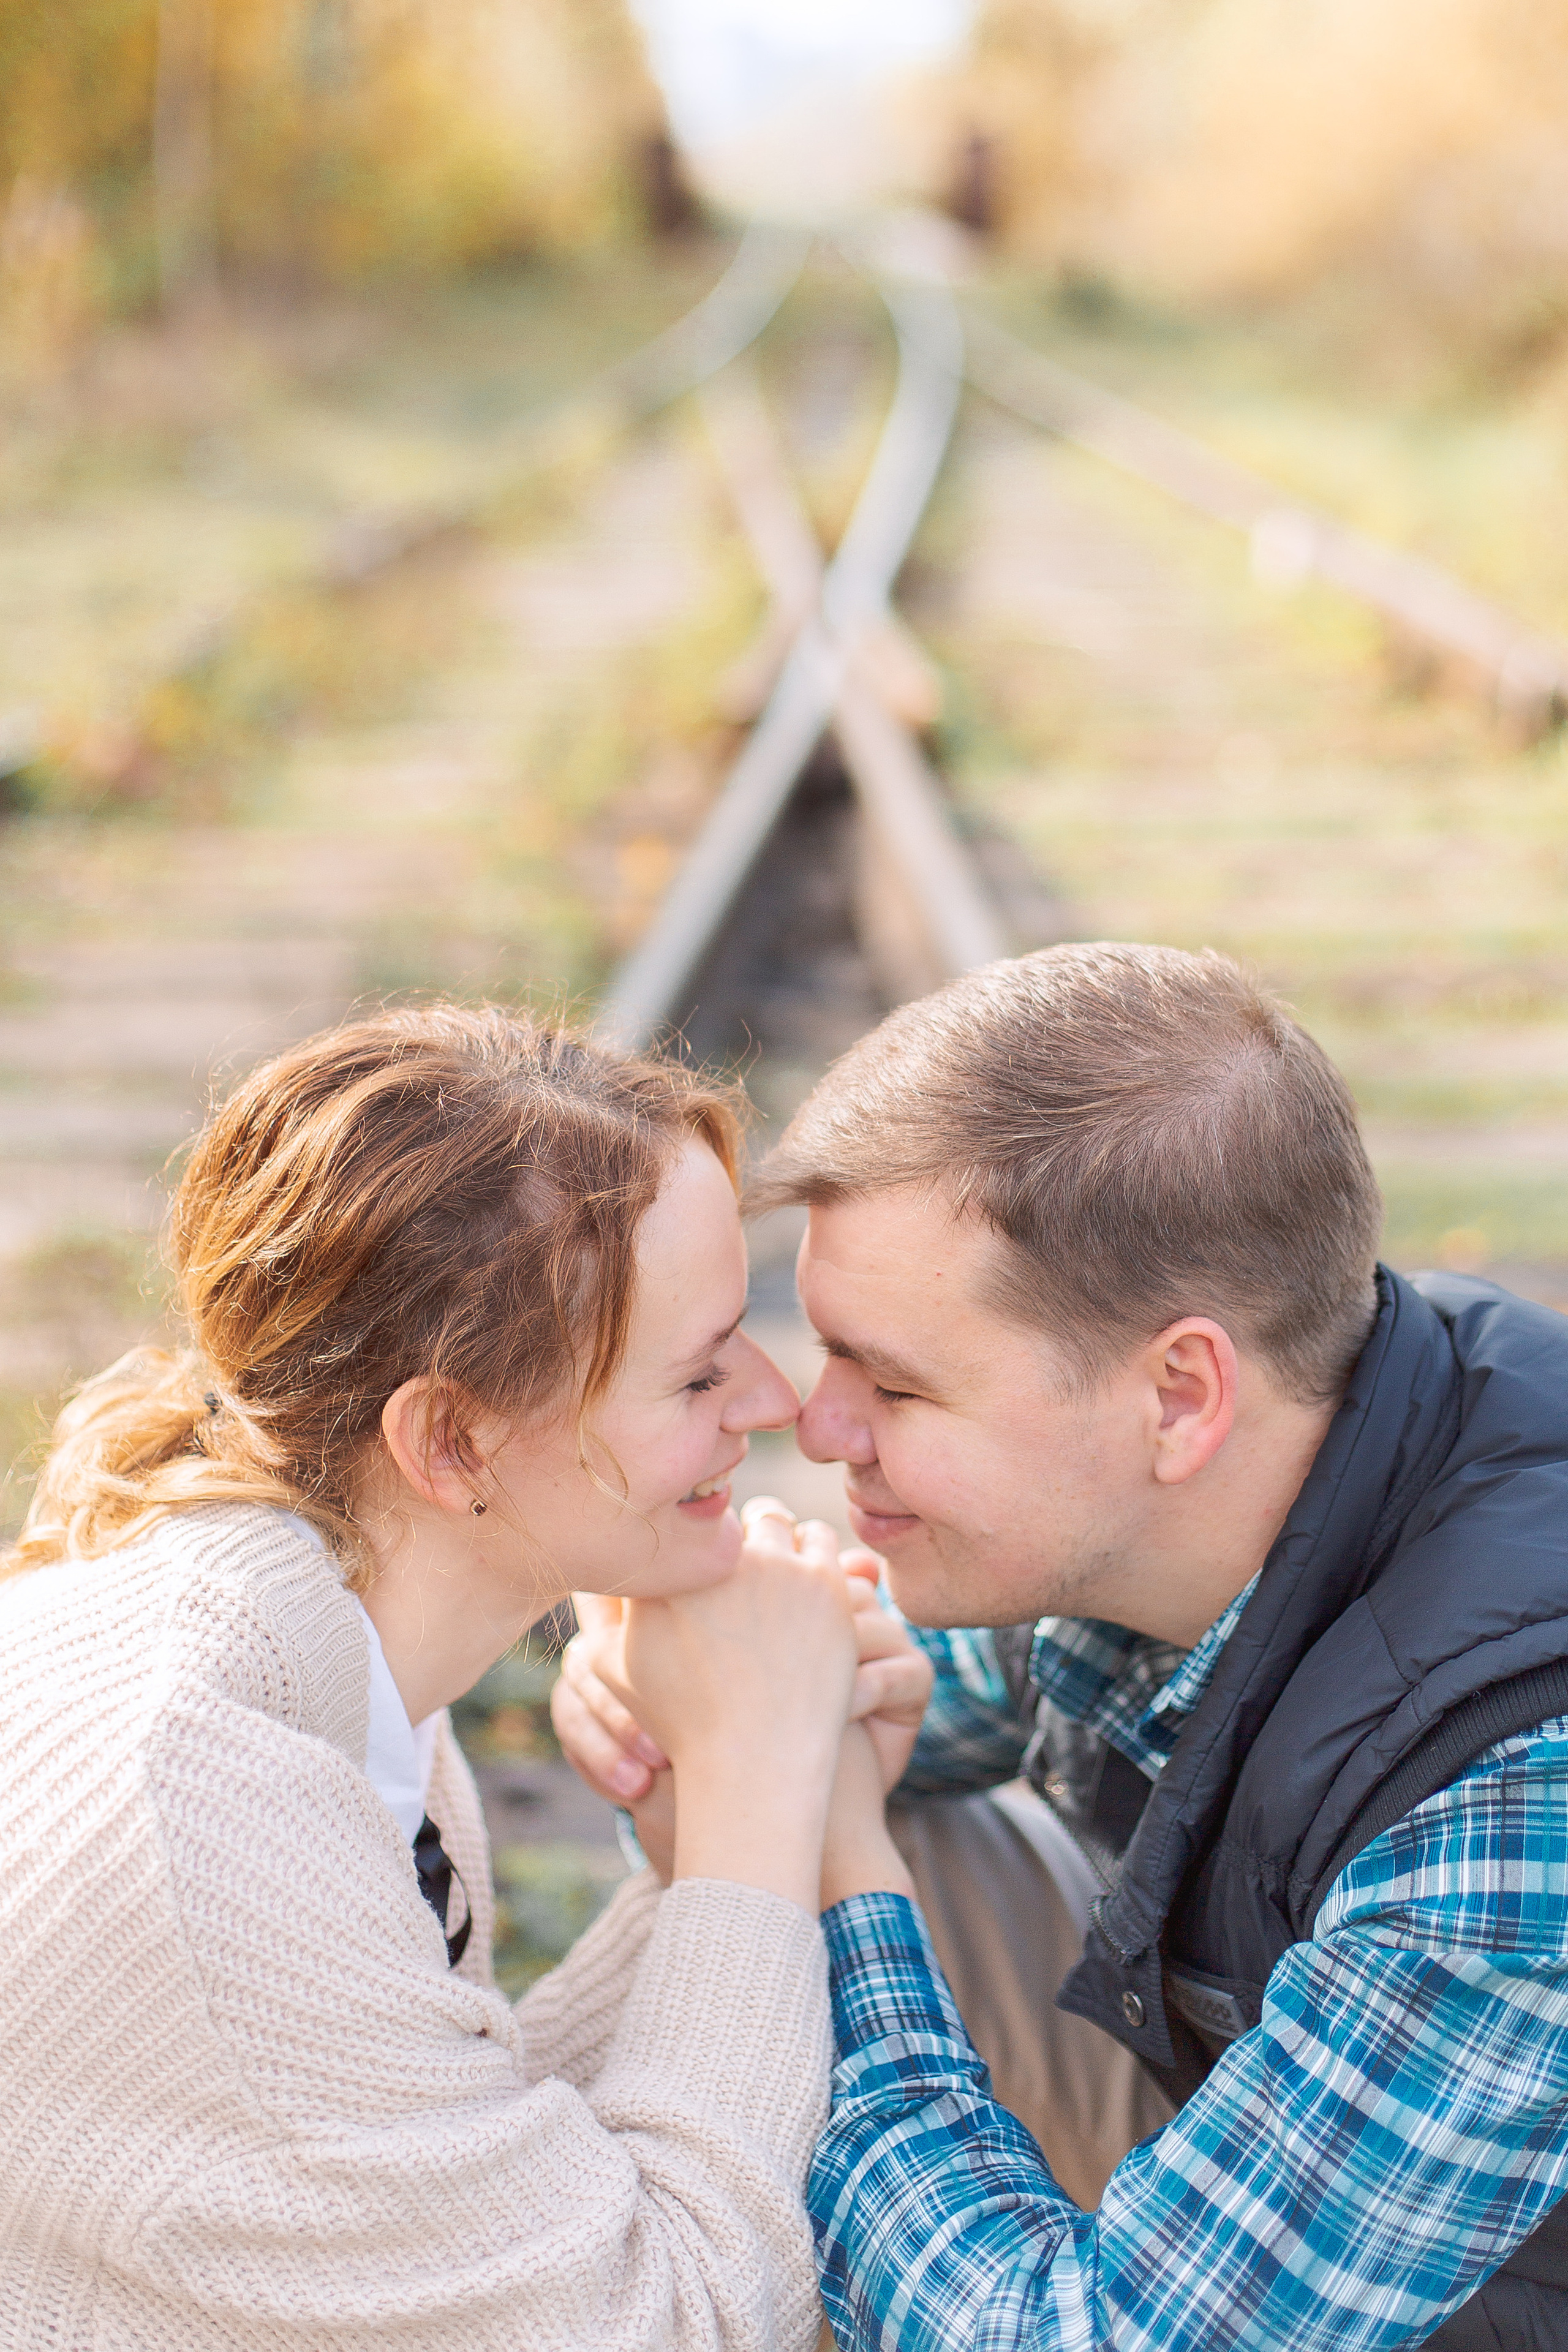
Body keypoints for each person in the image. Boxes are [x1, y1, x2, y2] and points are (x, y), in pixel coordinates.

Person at [558, 941, 1568, 2352]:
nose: (812, 1420)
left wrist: (825, 1852)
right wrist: (702, 1695)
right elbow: (846, 1696)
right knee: (787, 1839)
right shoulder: (1297, 1433)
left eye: (895, 1383)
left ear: (1177, 1394)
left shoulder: (1516, 1784)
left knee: (805, 1861)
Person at [0, 1001, 930, 2352]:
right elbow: (664, 2322)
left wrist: (698, 1860)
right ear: (450, 1441)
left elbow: (433, 2193)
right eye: (690, 1375)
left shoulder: (310, 1674)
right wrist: (750, 1795)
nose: (772, 1402)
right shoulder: (204, 1804)